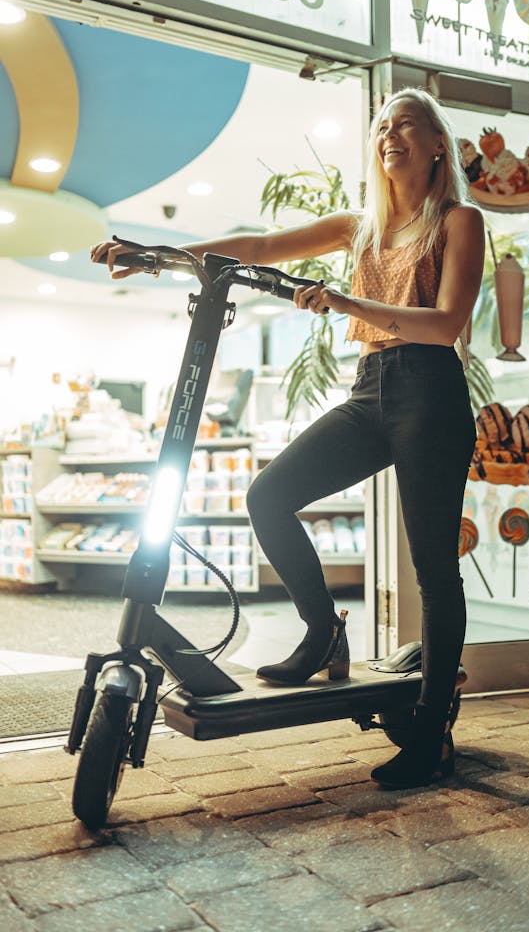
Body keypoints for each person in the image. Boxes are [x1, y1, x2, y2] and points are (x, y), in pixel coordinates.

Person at [91, 87, 485, 789]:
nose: (389, 134)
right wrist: (155, 255)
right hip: (372, 387)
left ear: (436, 144)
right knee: (268, 496)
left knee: (433, 568)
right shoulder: (362, 226)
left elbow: (447, 323)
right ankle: (323, 630)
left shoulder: (460, 221)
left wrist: (346, 301)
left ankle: (431, 733)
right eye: (382, 125)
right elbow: (257, 248)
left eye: (406, 124)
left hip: (431, 391)